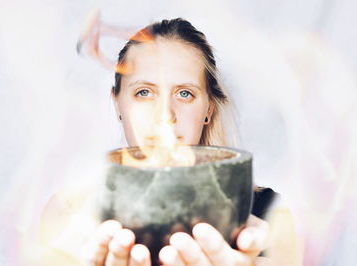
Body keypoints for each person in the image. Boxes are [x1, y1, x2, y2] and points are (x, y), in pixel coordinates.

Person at [90, 18, 278, 266]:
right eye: (144, 92)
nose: (165, 115)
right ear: (117, 104)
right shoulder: (75, 216)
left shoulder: (268, 216)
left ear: (208, 109)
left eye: (184, 93)